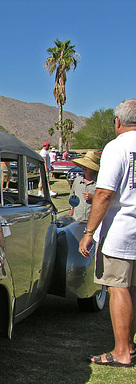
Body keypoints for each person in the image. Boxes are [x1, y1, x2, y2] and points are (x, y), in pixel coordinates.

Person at [79, 99, 136, 367]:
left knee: (118, 288)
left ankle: (122, 350)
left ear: (117, 122)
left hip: (121, 230)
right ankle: (130, 344)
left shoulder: (117, 148)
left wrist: (89, 232)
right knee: (133, 289)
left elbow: (103, 193)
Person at [68, 150, 100, 222]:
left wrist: (93, 198)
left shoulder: (100, 182)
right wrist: (70, 216)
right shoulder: (77, 180)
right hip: (77, 221)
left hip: (93, 223)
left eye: (87, 166)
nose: (83, 167)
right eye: (83, 165)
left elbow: (105, 201)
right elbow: (73, 200)